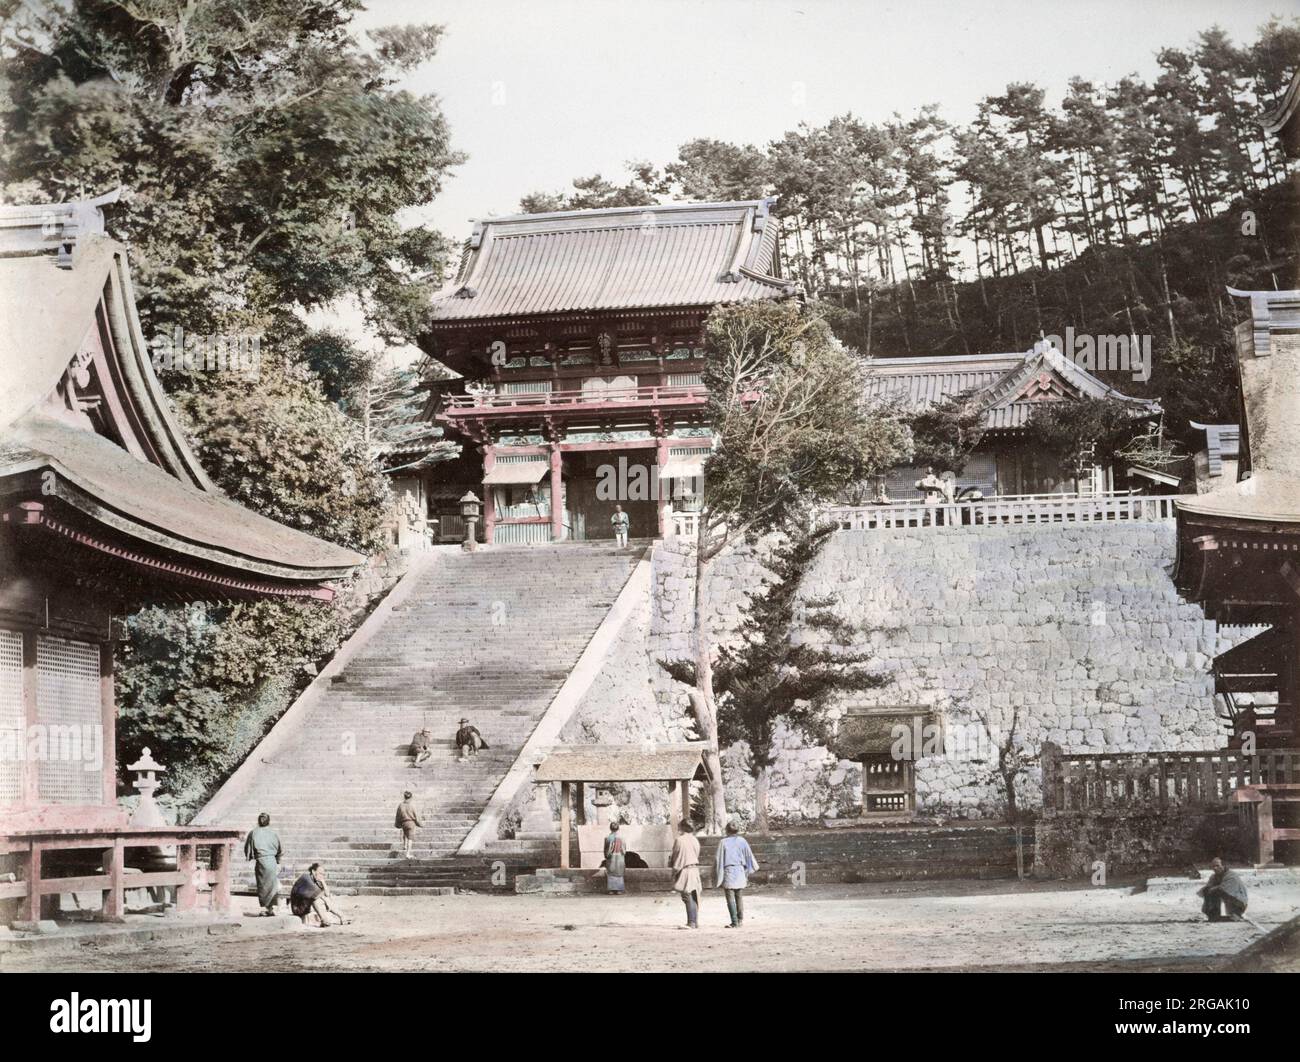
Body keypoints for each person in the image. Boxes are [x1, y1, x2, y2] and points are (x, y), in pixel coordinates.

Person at [715, 819, 758, 928]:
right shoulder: (742, 841)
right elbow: (749, 855)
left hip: (729, 870)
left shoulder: (723, 842)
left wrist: (716, 873)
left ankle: (734, 921)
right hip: (739, 870)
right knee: (739, 896)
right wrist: (748, 869)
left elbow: (718, 859)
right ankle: (740, 920)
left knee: (730, 897)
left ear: (727, 831)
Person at [243, 812, 282, 916]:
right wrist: (278, 860)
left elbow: (247, 848)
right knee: (272, 885)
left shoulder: (254, 832)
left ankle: (269, 909)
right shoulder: (273, 833)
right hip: (272, 861)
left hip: (261, 861)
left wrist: (250, 856)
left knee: (264, 886)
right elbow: (280, 849)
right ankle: (271, 908)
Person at [290, 863, 345, 928]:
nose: (322, 876)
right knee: (315, 900)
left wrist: (323, 881)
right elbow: (321, 895)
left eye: (323, 874)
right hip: (297, 908)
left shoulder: (314, 879)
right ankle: (325, 919)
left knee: (321, 898)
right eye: (320, 873)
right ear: (313, 872)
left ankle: (340, 916)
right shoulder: (306, 879)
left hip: (305, 905)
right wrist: (326, 901)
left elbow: (327, 894)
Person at [670, 819, 702, 929]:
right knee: (694, 895)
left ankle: (691, 922)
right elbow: (696, 854)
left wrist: (674, 869)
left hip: (685, 869)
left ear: (682, 827)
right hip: (694, 869)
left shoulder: (679, 840)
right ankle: (694, 920)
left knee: (687, 895)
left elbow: (675, 855)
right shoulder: (695, 840)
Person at [1199, 857, 1249, 922]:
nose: (1215, 868)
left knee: (1217, 891)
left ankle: (1236, 914)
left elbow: (1225, 889)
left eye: (1217, 866)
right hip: (1229, 898)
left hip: (1239, 901)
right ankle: (1213, 915)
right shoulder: (1214, 876)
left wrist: (1213, 889)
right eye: (1213, 866)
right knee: (1207, 890)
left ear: (1223, 866)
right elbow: (1207, 888)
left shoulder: (1231, 875)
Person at [395, 791, 422, 858]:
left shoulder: (400, 805)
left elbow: (398, 815)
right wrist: (419, 824)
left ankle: (404, 845)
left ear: (404, 797)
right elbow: (416, 816)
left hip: (404, 823)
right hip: (411, 823)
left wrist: (397, 823)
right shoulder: (412, 805)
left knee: (405, 833)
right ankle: (408, 854)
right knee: (410, 838)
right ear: (411, 797)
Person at [603, 821, 627, 895]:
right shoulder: (622, 838)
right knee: (619, 872)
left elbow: (606, 849)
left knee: (611, 872)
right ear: (618, 828)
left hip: (611, 857)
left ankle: (611, 890)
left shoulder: (607, 838)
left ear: (610, 828)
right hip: (619, 857)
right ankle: (619, 890)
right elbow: (624, 849)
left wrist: (606, 855)